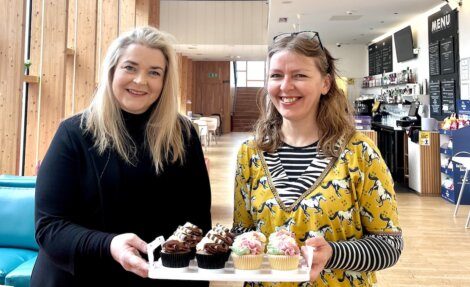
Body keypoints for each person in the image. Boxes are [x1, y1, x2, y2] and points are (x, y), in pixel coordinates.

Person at [31, 26, 211, 287]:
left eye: (154, 72)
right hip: (78, 278)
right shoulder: (74, 133)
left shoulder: (183, 135)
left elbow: (198, 224)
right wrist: (110, 244)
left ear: (164, 81)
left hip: (156, 276)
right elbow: (50, 227)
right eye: (130, 67)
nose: (140, 80)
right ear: (112, 70)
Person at [232, 31, 403, 287]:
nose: (285, 86)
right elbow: (243, 230)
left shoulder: (359, 152)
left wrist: (334, 253)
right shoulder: (251, 153)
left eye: (299, 75)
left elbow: (389, 245)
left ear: (325, 83)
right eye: (276, 75)